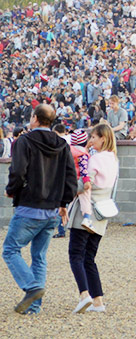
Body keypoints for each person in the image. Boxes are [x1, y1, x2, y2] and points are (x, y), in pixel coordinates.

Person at [3, 104, 76, 315]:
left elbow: (17, 171)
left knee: (10, 249)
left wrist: (11, 190)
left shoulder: (24, 141)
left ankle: (32, 287)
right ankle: (34, 307)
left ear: (35, 118)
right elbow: (71, 177)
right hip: (52, 210)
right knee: (39, 256)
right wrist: (63, 204)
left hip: (29, 207)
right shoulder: (62, 144)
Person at [67, 122, 120, 313]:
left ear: (103, 138)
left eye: (94, 137)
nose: (91, 141)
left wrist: (67, 189)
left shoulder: (94, 159)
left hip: (86, 210)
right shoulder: (114, 159)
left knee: (76, 254)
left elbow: (85, 184)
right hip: (102, 211)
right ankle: (98, 301)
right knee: (89, 257)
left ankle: (84, 295)